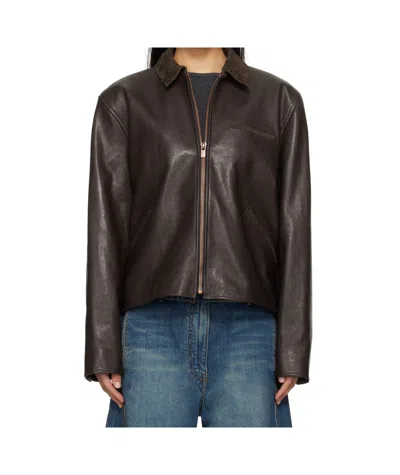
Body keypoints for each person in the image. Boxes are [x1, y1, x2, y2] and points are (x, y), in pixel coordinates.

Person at [84, 47, 312, 427]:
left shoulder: (278, 102)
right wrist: (102, 346)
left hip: (249, 333)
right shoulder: (123, 102)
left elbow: (295, 228)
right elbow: (106, 229)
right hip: (152, 331)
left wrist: (293, 349)